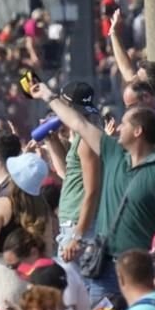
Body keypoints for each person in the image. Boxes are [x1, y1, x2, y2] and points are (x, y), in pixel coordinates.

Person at [30, 79, 155, 307]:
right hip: (104, 262)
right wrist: (46, 94)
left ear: (138, 131)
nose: (118, 128)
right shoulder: (113, 154)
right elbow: (78, 123)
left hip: (139, 267)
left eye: (124, 124)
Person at [0, 152, 52, 309]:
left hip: (5, 274)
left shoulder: (1, 204)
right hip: (34, 277)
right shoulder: (44, 208)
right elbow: (48, 250)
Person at [40, 82, 102, 266]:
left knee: (77, 291)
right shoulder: (78, 138)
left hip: (80, 228)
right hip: (72, 226)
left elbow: (92, 191)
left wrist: (78, 236)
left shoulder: (86, 141)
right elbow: (70, 177)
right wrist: (52, 142)